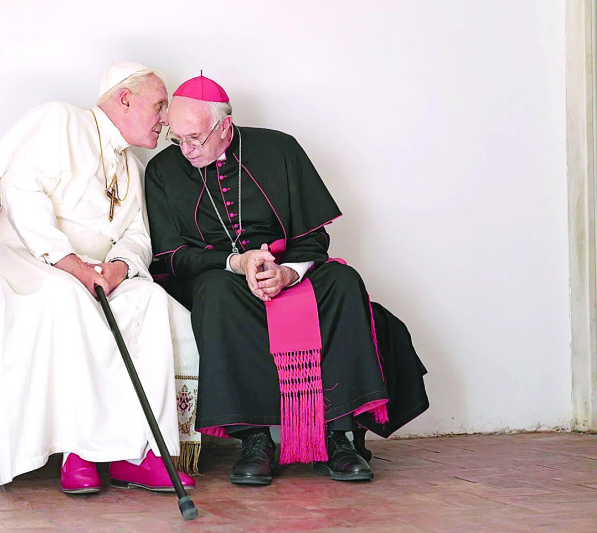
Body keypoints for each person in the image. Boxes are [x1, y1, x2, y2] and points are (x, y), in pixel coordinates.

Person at [145, 74, 429, 486]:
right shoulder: (162, 171)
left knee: (344, 281)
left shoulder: (280, 149)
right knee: (213, 292)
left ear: (224, 127)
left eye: (195, 139)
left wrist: (285, 273)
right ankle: (255, 441)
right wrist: (236, 263)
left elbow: (314, 238)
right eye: (177, 139)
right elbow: (171, 255)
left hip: (290, 272)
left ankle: (337, 438)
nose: (185, 150)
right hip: (222, 277)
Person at [0, 62, 197, 494]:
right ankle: (77, 451)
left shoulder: (134, 167)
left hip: (96, 274)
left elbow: (137, 234)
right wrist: (75, 267)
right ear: (125, 98)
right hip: (28, 259)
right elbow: (22, 193)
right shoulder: (60, 119)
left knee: (150, 301)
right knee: (69, 297)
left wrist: (118, 269)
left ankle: (140, 453)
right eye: (158, 105)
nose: (164, 119)